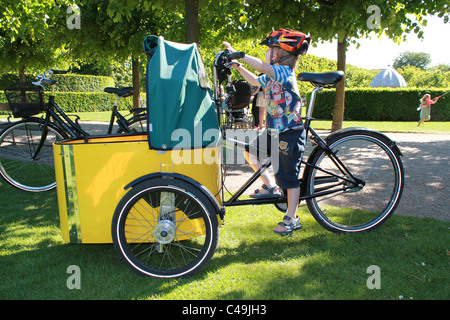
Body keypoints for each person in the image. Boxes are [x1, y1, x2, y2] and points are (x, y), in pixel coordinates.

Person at [223, 28, 310, 236]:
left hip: (289, 133)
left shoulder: (283, 72)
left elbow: (262, 66)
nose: (266, 52)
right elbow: (254, 80)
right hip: (274, 131)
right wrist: (238, 66)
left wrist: (240, 54)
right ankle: (270, 186)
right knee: (250, 151)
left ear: (278, 53)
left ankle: (292, 217)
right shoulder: (271, 76)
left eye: (270, 48)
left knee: (289, 178)